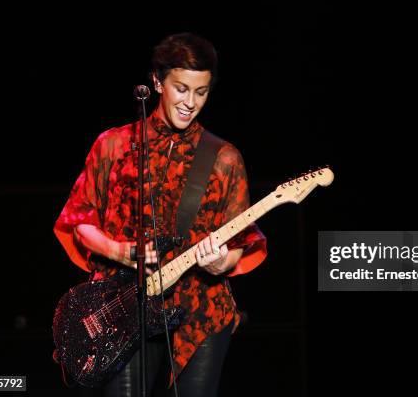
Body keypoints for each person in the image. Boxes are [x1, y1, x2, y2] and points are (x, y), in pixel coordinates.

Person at [53, 32, 267, 397]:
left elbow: (241, 242)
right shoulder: (114, 145)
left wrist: (221, 263)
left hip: (200, 308)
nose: (190, 103)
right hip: (126, 305)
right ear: (157, 82)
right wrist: (123, 252)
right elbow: (81, 223)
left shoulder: (224, 158)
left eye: (201, 92)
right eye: (181, 89)